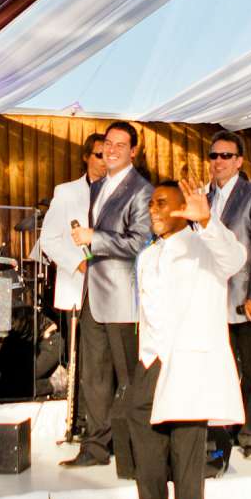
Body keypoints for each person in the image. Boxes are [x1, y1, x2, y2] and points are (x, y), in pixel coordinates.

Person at [123, 180, 245, 499]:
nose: (153, 209)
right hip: (149, 369)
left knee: (189, 474)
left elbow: (236, 257)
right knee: (149, 475)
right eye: (151, 203)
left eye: (162, 202)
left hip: (188, 372)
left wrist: (207, 220)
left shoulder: (204, 247)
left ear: (183, 207)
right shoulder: (148, 256)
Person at [62, 122, 153, 472]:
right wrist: (85, 244)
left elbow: (138, 243)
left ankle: (136, 452)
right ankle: (95, 446)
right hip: (94, 295)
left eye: (120, 144)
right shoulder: (97, 185)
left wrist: (94, 238)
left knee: (129, 378)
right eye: (107, 144)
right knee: (94, 377)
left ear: (133, 150)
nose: (112, 150)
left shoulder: (141, 190)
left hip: (124, 298)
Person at [204, 130, 251, 460]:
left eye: (225, 156)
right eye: (213, 156)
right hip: (211, 299)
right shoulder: (203, 198)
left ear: (238, 161)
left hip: (247, 297)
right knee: (220, 369)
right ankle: (222, 430)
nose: (218, 161)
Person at [38, 135, 105, 425]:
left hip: (111, 288)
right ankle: (78, 418)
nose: (105, 161)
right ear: (86, 157)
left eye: (109, 155)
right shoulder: (66, 192)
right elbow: (48, 238)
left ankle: (104, 418)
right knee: (81, 354)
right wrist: (77, 262)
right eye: (99, 154)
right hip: (78, 285)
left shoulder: (120, 191)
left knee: (105, 356)